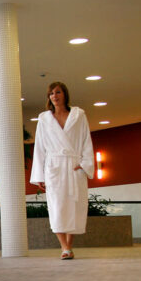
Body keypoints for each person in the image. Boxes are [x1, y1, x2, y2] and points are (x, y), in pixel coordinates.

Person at [29, 81, 95, 260]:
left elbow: (86, 140)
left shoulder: (78, 115)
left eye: (57, 92)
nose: (54, 96)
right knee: (57, 207)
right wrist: (39, 175)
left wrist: (85, 163)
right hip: (54, 167)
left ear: (65, 94)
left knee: (74, 205)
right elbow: (40, 147)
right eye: (51, 93)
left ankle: (69, 246)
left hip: (74, 166)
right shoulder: (44, 119)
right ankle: (64, 247)